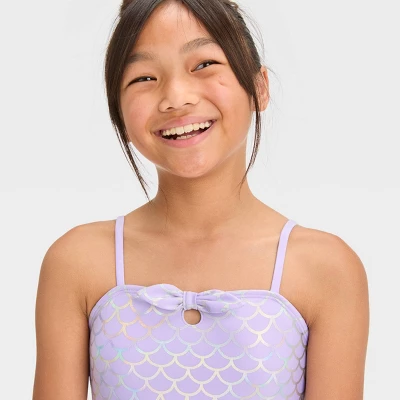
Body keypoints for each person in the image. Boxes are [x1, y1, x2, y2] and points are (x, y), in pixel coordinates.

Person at [32, 1, 370, 399]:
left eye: (204, 64)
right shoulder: (77, 263)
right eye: (144, 77)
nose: (176, 98)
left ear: (259, 87)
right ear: (118, 112)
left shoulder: (326, 269)